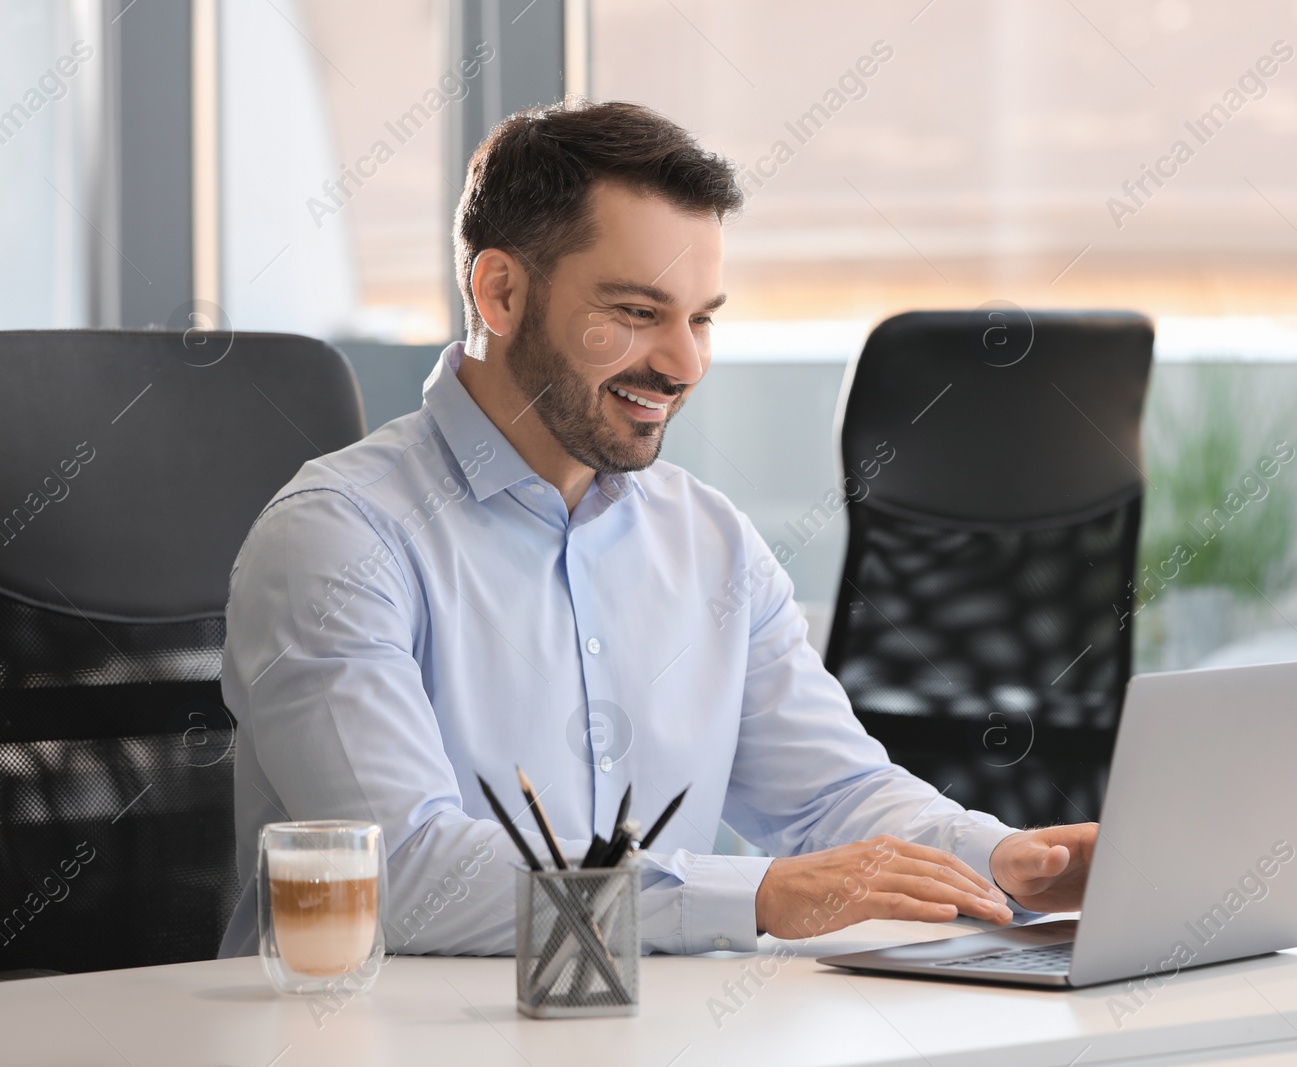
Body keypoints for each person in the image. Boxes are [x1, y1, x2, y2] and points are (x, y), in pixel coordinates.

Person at [219, 99, 1097, 958]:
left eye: (701, 317)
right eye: (638, 313)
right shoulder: (339, 540)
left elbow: (833, 794)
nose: (683, 363)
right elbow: (407, 875)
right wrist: (755, 895)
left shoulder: (710, 540)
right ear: (501, 291)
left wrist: (1000, 859)